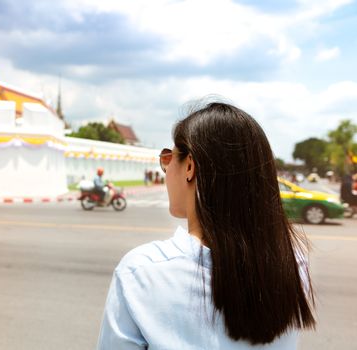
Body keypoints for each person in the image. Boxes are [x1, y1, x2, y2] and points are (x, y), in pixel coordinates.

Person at [97, 102, 315, 349]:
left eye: (168, 158)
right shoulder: (294, 263)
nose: (166, 168)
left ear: (190, 166)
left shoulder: (142, 271)